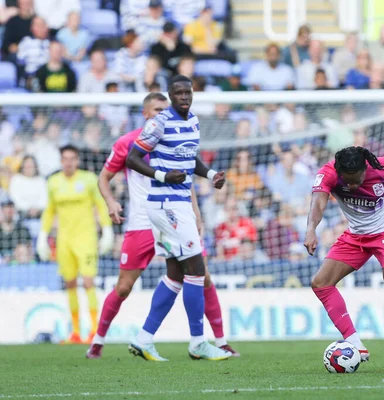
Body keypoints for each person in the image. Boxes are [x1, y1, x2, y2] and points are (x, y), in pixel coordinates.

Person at [86, 92, 239, 358]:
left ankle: (219, 341)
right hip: (142, 221)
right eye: (156, 110)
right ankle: (98, 341)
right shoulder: (127, 143)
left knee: (201, 276)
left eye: (164, 109)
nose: (162, 114)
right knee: (124, 287)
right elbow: (103, 178)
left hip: (175, 217)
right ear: (145, 114)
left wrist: (195, 213)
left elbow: (185, 177)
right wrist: (110, 202)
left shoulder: (174, 137)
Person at [125, 75, 232, 361]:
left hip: (179, 202)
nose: (184, 97)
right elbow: (132, 158)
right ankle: (198, 342)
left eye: (188, 92)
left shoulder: (193, 121)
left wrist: (211, 176)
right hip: (166, 204)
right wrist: (162, 175)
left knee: (175, 274)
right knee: (197, 270)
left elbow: (189, 157)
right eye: (179, 93)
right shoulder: (159, 122)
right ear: (171, 96)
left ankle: (144, 338)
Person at [304, 146, 384, 364]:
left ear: (365, 169)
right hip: (356, 235)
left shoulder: (382, 167)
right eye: (348, 182)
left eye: (357, 180)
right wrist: (311, 230)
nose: (353, 186)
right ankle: (355, 344)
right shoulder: (328, 174)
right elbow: (318, 202)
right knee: (320, 283)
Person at [36, 145, 114, 344]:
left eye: (72, 158)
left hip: (86, 238)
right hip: (64, 240)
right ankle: (76, 333)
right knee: (69, 283)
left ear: (77, 160)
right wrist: (42, 235)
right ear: (61, 161)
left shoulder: (88, 179)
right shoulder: (53, 182)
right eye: (65, 159)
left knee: (88, 282)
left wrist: (106, 230)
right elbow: (49, 210)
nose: (69, 162)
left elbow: (100, 204)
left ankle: (95, 331)